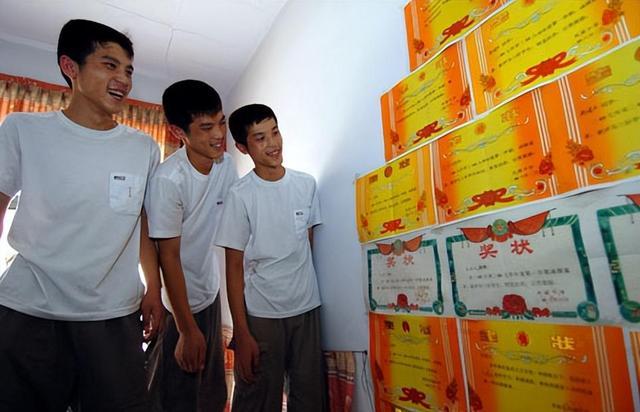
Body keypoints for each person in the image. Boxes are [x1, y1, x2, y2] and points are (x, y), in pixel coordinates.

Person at [0, 19, 163, 411]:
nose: (123, 79)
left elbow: (140, 223)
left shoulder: (143, 148)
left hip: (114, 314)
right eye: (109, 65)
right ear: (70, 67)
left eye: (128, 70)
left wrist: (154, 289)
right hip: (29, 309)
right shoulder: (23, 129)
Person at [215, 104, 327, 412]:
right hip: (262, 315)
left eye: (275, 132)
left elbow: (309, 246)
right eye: (260, 138)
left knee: (310, 399)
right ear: (243, 147)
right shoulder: (240, 195)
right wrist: (242, 332)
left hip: (306, 309)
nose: (273, 143)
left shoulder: (306, 184)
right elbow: (233, 267)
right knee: (258, 399)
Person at [145, 79, 236, 411]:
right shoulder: (169, 181)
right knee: (174, 395)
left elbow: (236, 224)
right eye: (206, 127)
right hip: (177, 303)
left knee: (211, 392)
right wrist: (186, 328)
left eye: (221, 122)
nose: (219, 134)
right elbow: (167, 256)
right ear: (177, 132)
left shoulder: (226, 166)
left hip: (208, 292)